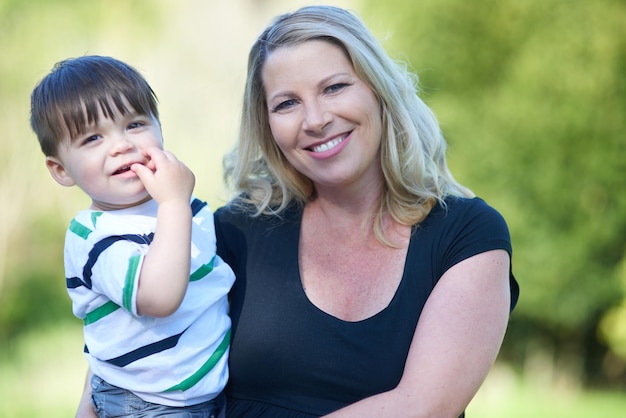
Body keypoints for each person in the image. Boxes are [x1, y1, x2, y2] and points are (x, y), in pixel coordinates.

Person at [214, 5, 519, 418]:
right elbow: (136, 356)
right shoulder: (234, 231)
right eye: (287, 103)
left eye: (334, 87)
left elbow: (425, 407)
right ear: (266, 123)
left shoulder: (467, 235)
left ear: (377, 90)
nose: (316, 120)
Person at [30, 55, 234, 418]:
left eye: (135, 124)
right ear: (61, 170)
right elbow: (158, 298)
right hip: (145, 404)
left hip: (202, 395)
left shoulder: (188, 210)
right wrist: (173, 204)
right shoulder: (94, 238)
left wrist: (176, 205)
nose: (122, 144)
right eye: (93, 137)